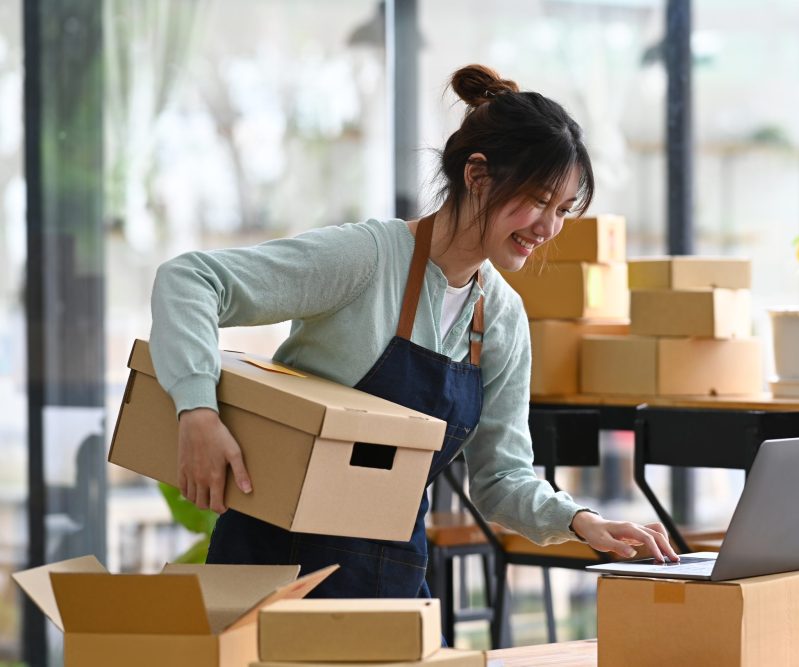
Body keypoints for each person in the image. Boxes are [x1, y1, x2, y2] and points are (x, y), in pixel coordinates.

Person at [149, 64, 677, 600]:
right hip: (268, 567)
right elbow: (190, 280)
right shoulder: (367, 259)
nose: (549, 229)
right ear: (477, 175)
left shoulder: (502, 317)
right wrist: (197, 411)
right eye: (539, 200)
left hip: (389, 573)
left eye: (563, 210)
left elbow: (500, 478)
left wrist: (580, 521)